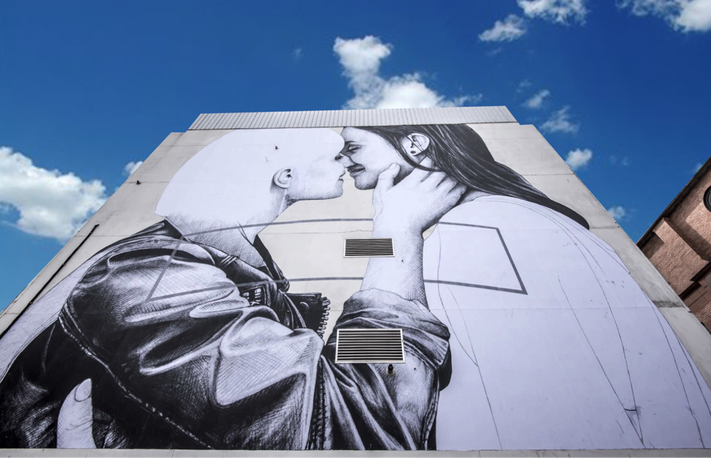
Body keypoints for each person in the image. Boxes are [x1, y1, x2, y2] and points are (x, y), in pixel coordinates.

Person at [0, 128, 464, 450]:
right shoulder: (151, 275)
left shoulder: (248, 283)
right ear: (284, 176)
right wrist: (399, 232)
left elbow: (329, 360)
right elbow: (351, 426)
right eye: (335, 153)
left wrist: (393, 235)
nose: (344, 160)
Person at [336, 124, 711, 450]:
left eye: (352, 146)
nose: (343, 160)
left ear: (415, 143)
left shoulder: (477, 229)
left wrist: (335, 347)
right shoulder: (506, 218)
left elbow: (409, 361)